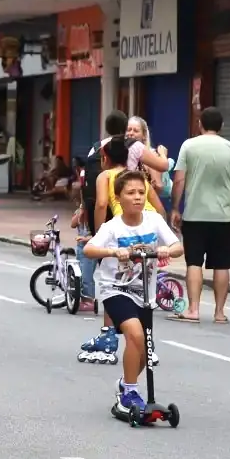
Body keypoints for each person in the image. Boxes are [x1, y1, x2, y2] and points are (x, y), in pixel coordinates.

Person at [84, 170, 182, 417]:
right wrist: (114, 252)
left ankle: (125, 384)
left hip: (144, 293)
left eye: (141, 192)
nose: (137, 197)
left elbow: (178, 246)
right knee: (135, 335)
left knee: (144, 352)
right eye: (131, 193)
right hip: (115, 289)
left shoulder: (154, 221)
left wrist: (165, 250)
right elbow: (89, 249)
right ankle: (129, 392)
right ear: (118, 198)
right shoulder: (112, 227)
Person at [78, 138, 167, 363]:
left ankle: (109, 335)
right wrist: (159, 234)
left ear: (104, 158)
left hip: (125, 230)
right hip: (147, 230)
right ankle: (146, 339)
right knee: (140, 284)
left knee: (114, 281)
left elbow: (100, 204)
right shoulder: (136, 179)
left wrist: (99, 235)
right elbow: (159, 209)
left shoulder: (105, 176)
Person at [170, 107, 230, 325]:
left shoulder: (189, 146)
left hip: (194, 216)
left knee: (194, 262)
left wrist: (175, 208)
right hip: (223, 217)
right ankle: (219, 313)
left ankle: (193, 310)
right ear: (221, 126)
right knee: (222, 264)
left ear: (200, 124)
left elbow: (178, 180)